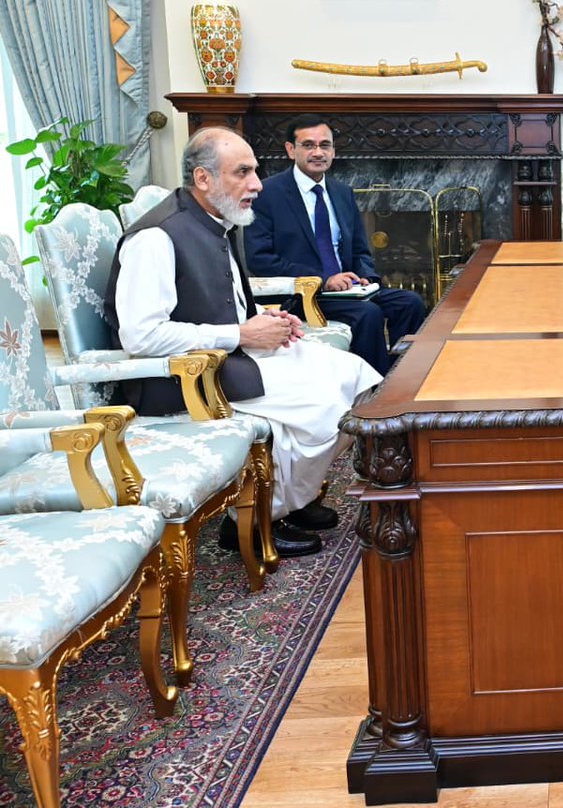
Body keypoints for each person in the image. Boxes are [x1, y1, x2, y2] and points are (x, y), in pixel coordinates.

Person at [104, 127, 383, 559]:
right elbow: (141, 336)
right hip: (183, 380)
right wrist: (240, 333)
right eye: (243, 173)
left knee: (357, 378)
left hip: (228, 357)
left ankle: (291, 500)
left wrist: (261, 320)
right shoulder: (156, 237)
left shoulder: (216, 219)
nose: (256, 184)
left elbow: (215, 302)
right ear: (203, 178)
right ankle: (249, 524)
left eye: (254, 171)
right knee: (324, 407)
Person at [244, 115, 426, 376]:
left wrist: (366, 278)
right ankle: (372, 392)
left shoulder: (341, 192)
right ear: (290, 149)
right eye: (308, 145)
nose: (318, 152)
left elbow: (361, 250)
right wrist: (324, 279)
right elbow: (260, 260)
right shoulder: (266, 194)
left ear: (333, 150)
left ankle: (405, 378)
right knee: (368, 314)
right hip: (300, 295)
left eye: (325, 145)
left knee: (410, 302)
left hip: (347, 290)